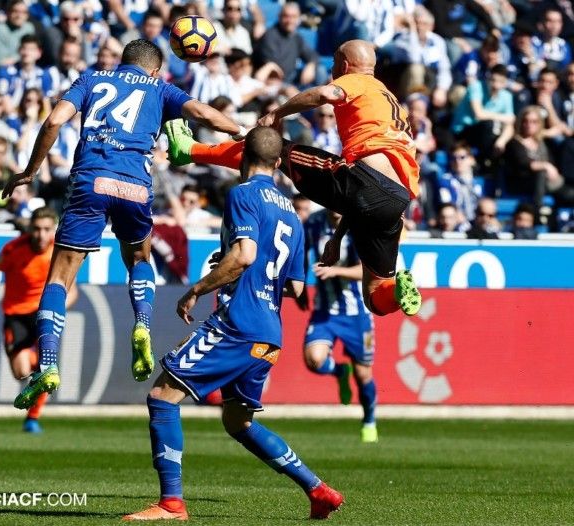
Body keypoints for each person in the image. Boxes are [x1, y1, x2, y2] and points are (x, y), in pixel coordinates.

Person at [1, 39, 243, 409]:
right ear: (155, 69)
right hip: (135, 185)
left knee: (59, 278)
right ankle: (142, 323)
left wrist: (30, 171)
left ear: (121, 62)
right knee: (140, 259)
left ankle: (47, 365)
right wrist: (240, 131)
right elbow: (203, 114)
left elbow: (53, 121)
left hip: (91, 180)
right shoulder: (161, 88)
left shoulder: (91, 80)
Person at [123, 126, 343, 522]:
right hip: (270, 332)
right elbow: (294, 286)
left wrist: (197, 289)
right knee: (238, 421)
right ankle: (317, 489)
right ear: (278, 163)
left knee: (162, 397)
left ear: (242, 157)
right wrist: (238, 268)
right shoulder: (293, 214)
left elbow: (244, 256)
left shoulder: (243, 194)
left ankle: (171, 503)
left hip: (238, 324)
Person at [166, 39, 422, 318]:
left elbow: (326, 93)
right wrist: (337, 238)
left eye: (334, 62)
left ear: (344, 65)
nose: (331, 68)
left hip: (364, 180)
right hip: (396, 200)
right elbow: (365, 197)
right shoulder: (391, 100)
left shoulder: (357, 81)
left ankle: (189, 150)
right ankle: (397, 292)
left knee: (268, 147)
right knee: (375, 295)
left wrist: (277, 113)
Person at [0, 207, 78, 433]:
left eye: (46, 229)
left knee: (46, 370)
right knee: (21, 372)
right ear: (30, 228)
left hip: (43, 316)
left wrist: (55, 310)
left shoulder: (59, 252)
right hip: (17, 316)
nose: (41, 235)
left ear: (54, 230)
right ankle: (39, 367)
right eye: (37, 229)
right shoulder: (13, 249)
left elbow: (72, 291)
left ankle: (33, 418)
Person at [303, 209, 378, 442]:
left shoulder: (360, 225)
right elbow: (300, 252)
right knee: (314, 360)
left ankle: (369, 421)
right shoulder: (314, 223)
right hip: (325, 310)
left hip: (357, 313)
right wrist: (299, 286)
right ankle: (340, 371)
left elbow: (369, 269)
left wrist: (335, 270)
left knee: (363, 374)